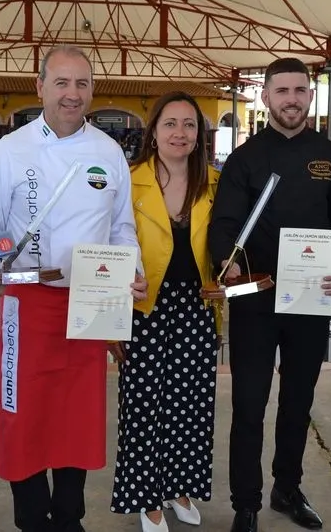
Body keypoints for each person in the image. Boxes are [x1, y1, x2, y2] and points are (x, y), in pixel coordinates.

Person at [0, 45, 146, 532]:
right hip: (27, 301)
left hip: (91, 303)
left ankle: (69, 517)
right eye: (61, 83)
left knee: (78, 415)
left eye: (82, 83)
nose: (73, 94)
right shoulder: (12, 149)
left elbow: (121, 228)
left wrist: (132, 268)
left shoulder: (108, 152)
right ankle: (31, 519)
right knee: (22, 413)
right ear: (40, 86)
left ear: (92, 91)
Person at [208, 57, 331, 532]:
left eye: (299, 90)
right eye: (282, 91)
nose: (291, 99)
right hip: (255, 299)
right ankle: (245, 503)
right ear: (266, 97)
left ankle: (287, 488)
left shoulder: (330, 156)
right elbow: (224, 223)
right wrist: (225, 261)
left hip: (310, 300)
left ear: (309, 96)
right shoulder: (245, 158)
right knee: (250, 405)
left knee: (298, 401)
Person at [108, 91, 221, 532]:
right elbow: (111, 245)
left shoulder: (213, 182)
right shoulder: (128, 179)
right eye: (170, 123)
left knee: (191, 403)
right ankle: (146, 495)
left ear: (199, 134)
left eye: (189, 125)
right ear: (152, 131)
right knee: (142, 405)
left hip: (195, 307)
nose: (180, 132)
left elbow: (229, 244)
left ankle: (178, 485)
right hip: (145, 306)